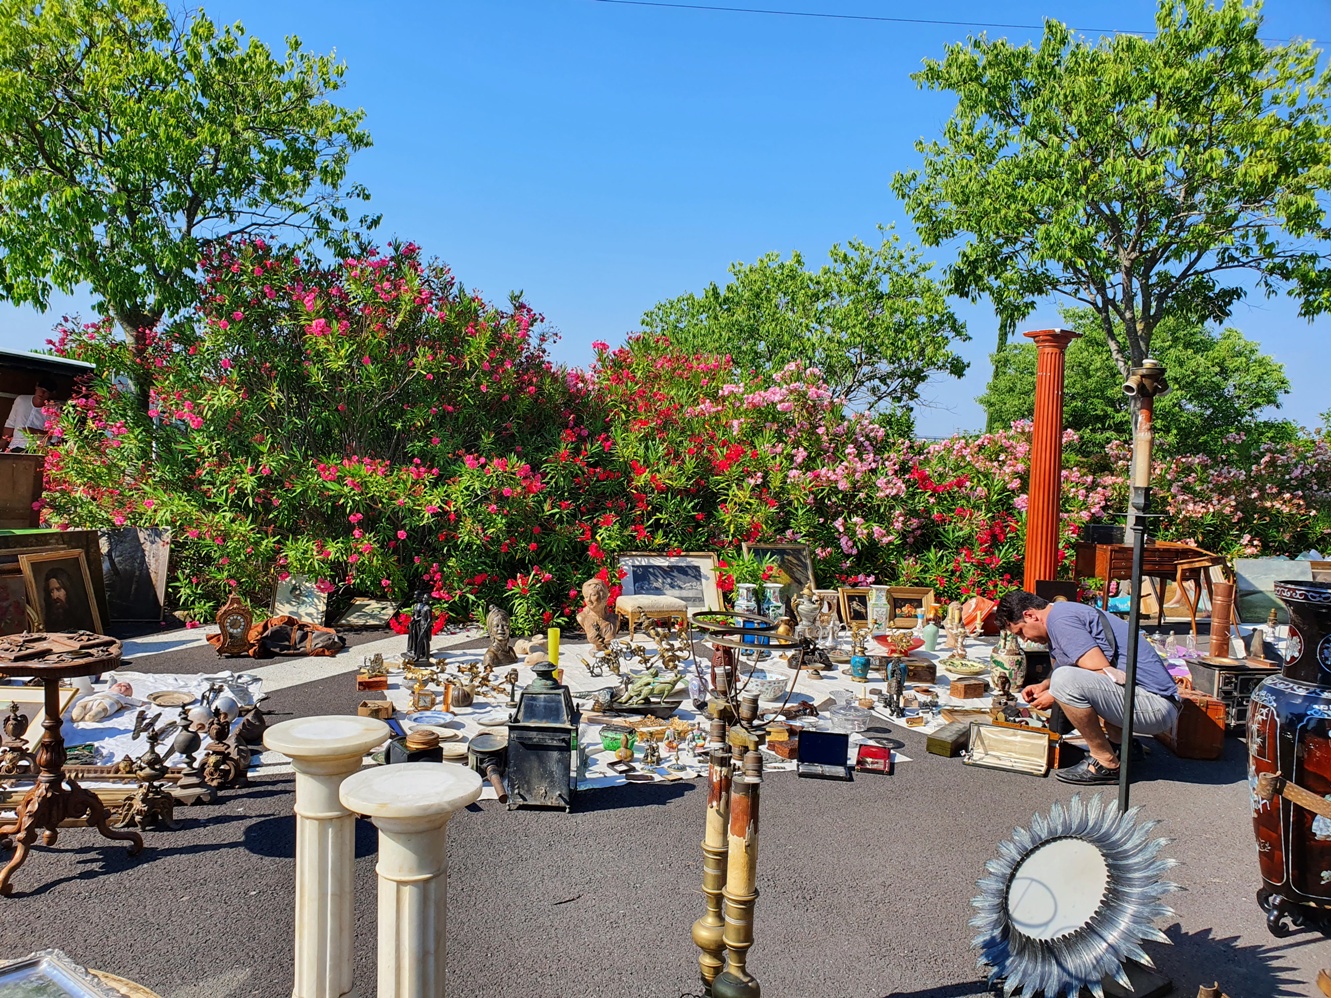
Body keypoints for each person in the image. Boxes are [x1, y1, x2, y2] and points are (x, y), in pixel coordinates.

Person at [995, 589, 1181, 786]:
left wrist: (1056, 693)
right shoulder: (1059, 616)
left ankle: (1106, 762)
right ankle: (1122, 746)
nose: (1024, 639)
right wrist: (1045, 685)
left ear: (1030, 615)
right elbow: (1082, 668)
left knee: (1064, 680)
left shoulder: (1060, 620)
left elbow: (1100, 672)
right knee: (1060, 679)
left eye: (1021, 632)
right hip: (1148, 700)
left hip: (1157, 706)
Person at [2, 381, 55, 452]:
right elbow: (10, 423)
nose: (42, 393)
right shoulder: (21, 400)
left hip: (39, 449)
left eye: (46, 392)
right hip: (16, 446)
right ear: (36, 387)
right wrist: (3, 442)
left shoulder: (54, 409)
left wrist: (35, 432)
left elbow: (55, 436)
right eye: (40, 389)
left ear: (51, 394)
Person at [43, 566, 92, 633]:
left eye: (58, 589)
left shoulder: (83, 614)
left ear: (68, 589)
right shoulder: (52, 617)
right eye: (51, 591)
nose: (54, 596)